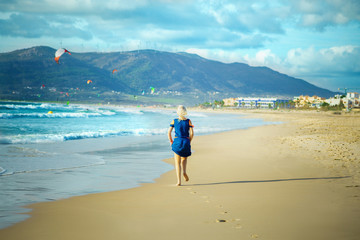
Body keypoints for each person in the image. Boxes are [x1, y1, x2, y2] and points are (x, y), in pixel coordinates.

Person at [167, 105, 194, 186]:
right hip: (186, 141)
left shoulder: (174, 121)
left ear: (177, 112)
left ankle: (179, 181)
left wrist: (171, 141)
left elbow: (169, 132)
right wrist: (189, 141)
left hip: (177, 141)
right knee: (184, 159)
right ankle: (184, 172)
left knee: (177, 163)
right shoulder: (188, 121)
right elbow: (192, 133)